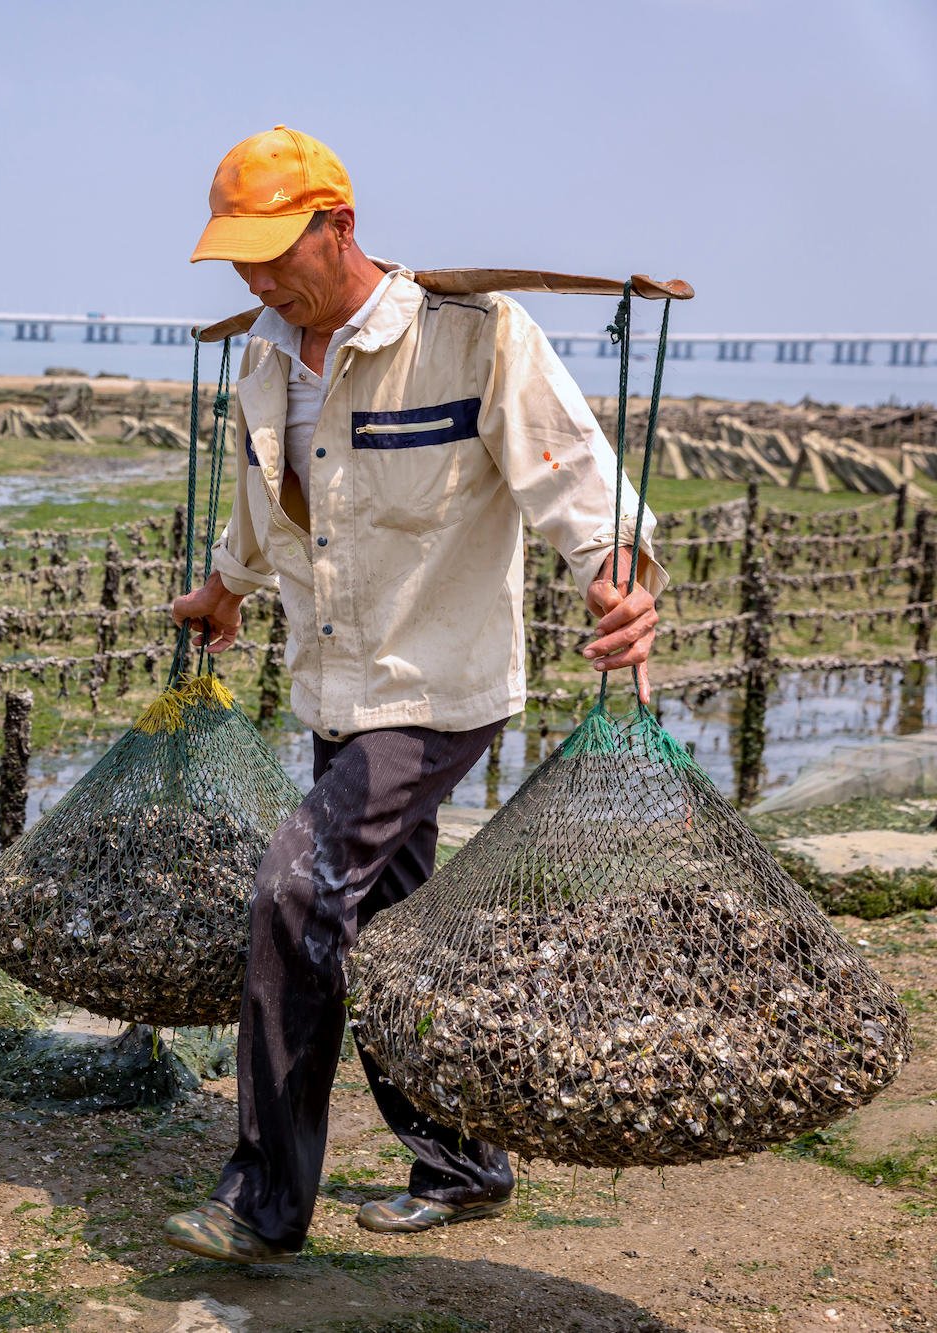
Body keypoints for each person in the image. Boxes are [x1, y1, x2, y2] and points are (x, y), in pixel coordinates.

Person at [161, 126, 667, 1262]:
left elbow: (573, 475)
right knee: (383, 923)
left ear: (336, 225)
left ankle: (262, 1204)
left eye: (269, 251)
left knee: (294, 891)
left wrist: (619, 580)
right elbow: (265, 501)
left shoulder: (469, 338)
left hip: (434, 685)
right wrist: (221, 590)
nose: (251, 276)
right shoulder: (260, 356)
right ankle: (460, 1158)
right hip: (333, 685)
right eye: (233, 257)